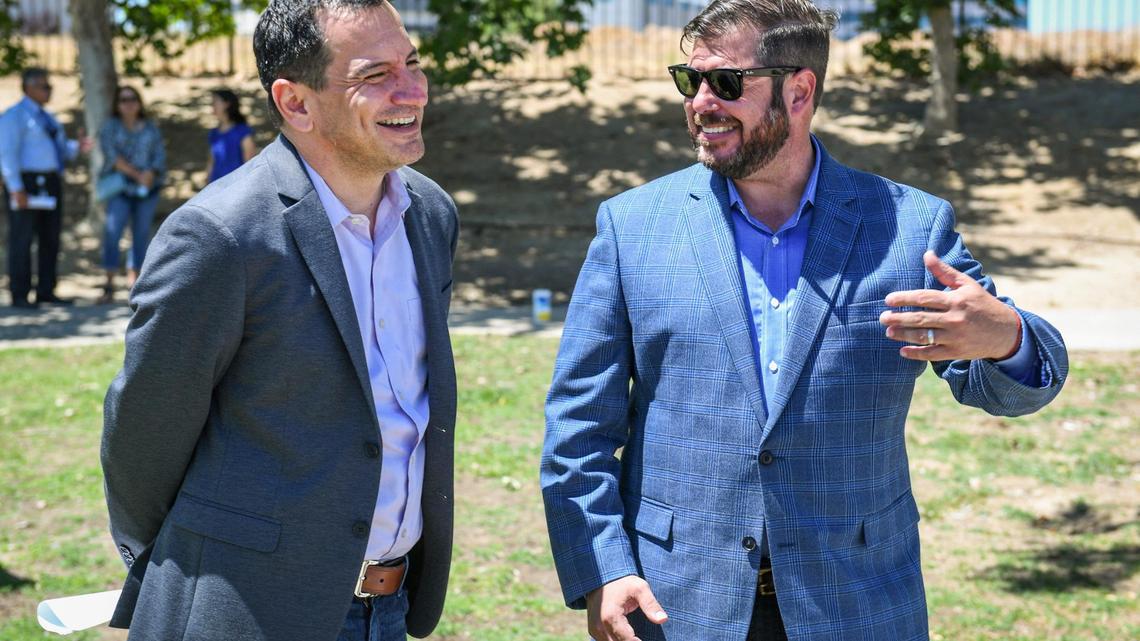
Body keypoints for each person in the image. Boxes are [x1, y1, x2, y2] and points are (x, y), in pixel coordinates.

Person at [540, 2, 1069, 640]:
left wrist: (1007, 338)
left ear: (799, 90)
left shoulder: (907, 229)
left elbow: (1013, 384)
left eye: (727, 83)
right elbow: (578, 429)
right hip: (673, 604)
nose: (702, 102)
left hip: (856, 603)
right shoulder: (632, 228)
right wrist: (603, 569)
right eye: (691, 80)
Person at [101, 1, 458, 640]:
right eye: (375, 75)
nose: (413, 90)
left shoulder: (430, 215)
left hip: (392, 608)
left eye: (412, 63)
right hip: (250, 609)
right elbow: (143, 435)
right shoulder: (219, 237)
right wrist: (183, 568)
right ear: (296, 103)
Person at [0, 67, 91, 308]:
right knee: (22, 238)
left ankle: (46, 290)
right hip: (26, 182)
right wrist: (15, 187)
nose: (49, 90)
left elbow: (58, 151)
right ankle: (20, 293)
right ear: (28, 87)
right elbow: (7, 153)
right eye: (45, 86)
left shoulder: (48, 118)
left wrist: (77, 147)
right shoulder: (14, 117)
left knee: (50, 238)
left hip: (50, 182)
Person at [96, 85, 166, 304]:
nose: (129, 103)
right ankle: (108, 282)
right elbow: (112, 158)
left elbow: (159, 156)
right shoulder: (110, 128)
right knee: (113, 233)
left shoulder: (150, 128)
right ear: (117, 104)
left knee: (141, 234)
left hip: (147, 190)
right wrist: (138, 175)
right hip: (121, 189)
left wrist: (151, 174)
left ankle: (135, 283)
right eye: (124, 99)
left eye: (133, 99)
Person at [205, 88, 256, 183]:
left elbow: (250, 164)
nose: (212, 106)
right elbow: (211, 162)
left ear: (226, 104)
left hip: (235, 187)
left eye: (215, 102)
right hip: (216, 187)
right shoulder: (214, 133)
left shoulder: (242, 131)